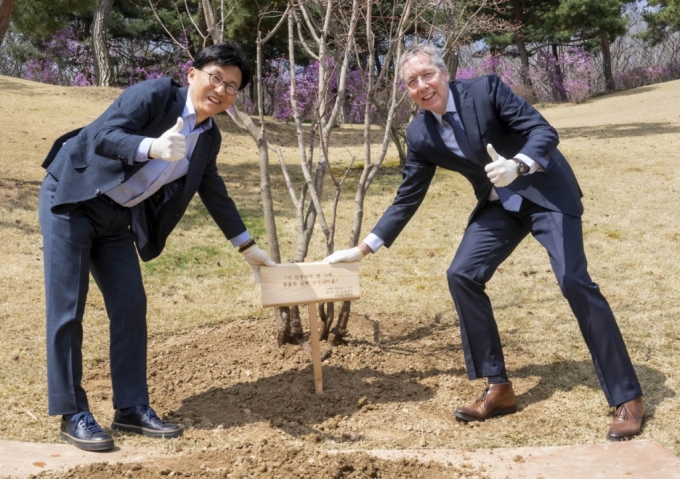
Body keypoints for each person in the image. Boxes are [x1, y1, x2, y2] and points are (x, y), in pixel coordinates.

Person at [325, 43, 644, 440]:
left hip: (545, 193)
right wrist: (362, 249)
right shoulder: (420, 133)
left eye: (427, 75)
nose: (422, 85)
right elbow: (407, 197)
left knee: (573, 280)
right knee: (462, 274)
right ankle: (499, 387)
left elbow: (544, 130)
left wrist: (519, 164)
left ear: (444, 74)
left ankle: (627, 396)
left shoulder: (485, 90)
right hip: (500, 205)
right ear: (406, 92)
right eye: (412, 81)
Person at [39, 40, 275, 451]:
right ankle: (72, 412)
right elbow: (102, 135)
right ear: (192, 75)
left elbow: (212, 189)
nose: (220, 90)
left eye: (232, 86)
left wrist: (247, 247)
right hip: (72, 197)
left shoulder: (208, 137)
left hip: (116, 219)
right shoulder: (153, 95)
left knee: (130, 307)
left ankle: (130, 409)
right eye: (215, 77)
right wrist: (151, 147)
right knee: (67, 308)